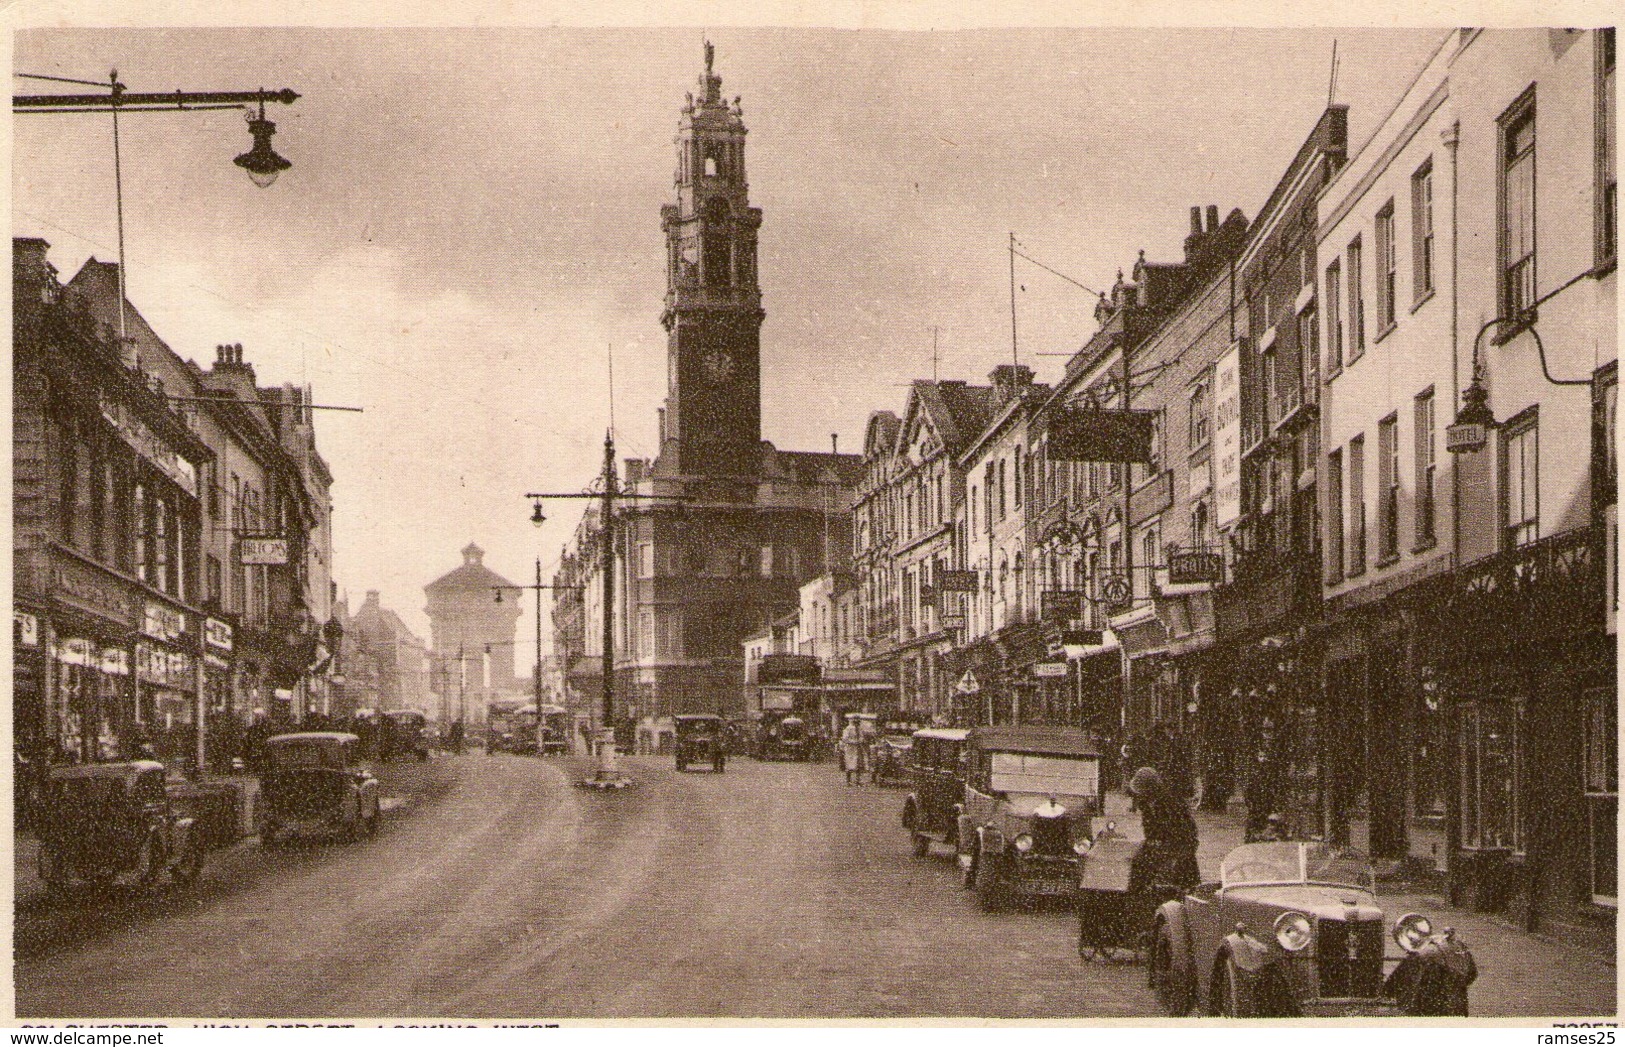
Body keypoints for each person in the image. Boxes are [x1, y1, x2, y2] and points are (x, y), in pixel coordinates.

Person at [1127, 766, 1200, 895]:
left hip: (1180, 848)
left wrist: (1176, 852)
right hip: (1157, 848)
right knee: (1136, 865)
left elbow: (1189, 834)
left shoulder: (1173, 803)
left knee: (1179, 886)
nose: (1139, 795)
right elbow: (1149, 831)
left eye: (1142, 791)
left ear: (1151, 789)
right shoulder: (1145, 805)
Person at [839, 717, 864, 786]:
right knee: (849, 765)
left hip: (858, 748)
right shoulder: (848, 729)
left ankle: (858, 780)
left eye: (858, 721)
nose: (856, 723)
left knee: (858, 764)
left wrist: (860, 741)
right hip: (850, 749)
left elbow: (862, 737)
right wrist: (854, 742)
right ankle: (848, 781)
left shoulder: (859, 729)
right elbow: (845, 739)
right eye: (855, 721)